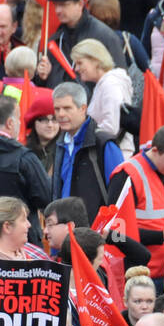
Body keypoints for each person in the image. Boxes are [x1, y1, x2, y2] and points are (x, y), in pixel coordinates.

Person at [107, 123, 164, 281]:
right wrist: (162, 236)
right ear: (155, 151)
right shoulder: (127, 174)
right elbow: (115, 234)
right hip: (138, 274)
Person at [51, 81, 125, 221]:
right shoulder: (60, 144)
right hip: (64, 230)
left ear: (83, 108)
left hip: (95, 232)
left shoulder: (104, 143)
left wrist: (112, 234)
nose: (60, 114)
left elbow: (120, 193)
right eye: (57, 109)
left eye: (67, 108)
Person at [37, 0, 126, 91]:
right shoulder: (54, 40)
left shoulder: (103, 35)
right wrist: (42, 77)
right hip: (59, 104)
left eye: (64, 5)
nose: (58, 10)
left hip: (92, 105)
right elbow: (44, 84)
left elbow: (119, 77)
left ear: (80, 4)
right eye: (56, 5)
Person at [72, 39, 134, 156]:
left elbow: (111, 127)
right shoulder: (104, 84)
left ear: (95, 60)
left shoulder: (110, 84)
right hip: (110, 154)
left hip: (114, 157)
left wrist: (81, 134)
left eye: (80, 63)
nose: (76, 69)